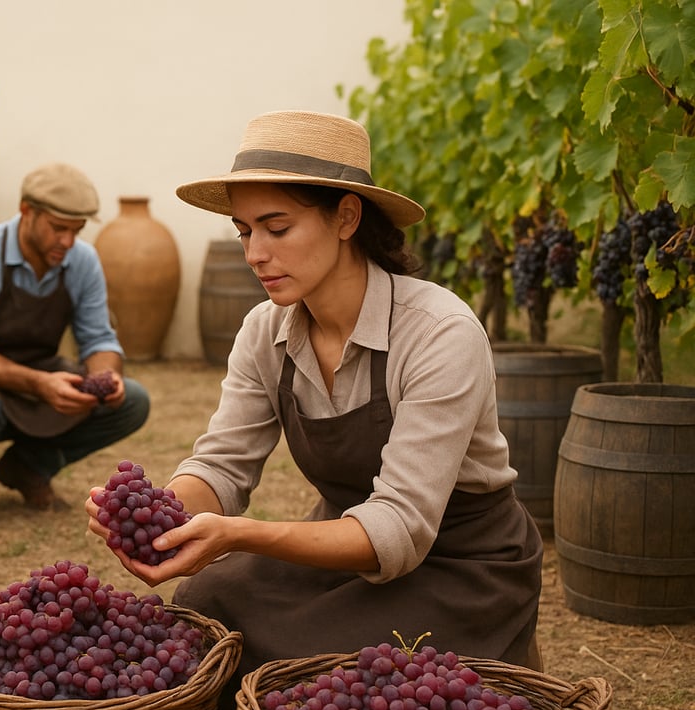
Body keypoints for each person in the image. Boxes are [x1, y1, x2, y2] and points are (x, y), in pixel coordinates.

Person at [85, 110, 543, 674]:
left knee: (325, 671)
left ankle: (502, 644)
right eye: (245, 232)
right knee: (205, 604)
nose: (254, 253)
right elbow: (222, 467)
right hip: (339, 543)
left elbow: (399, 528)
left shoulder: (438, 333)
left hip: (462, 562)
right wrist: (158, 517)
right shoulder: (264, 331)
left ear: (346, 217)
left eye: (277, 229)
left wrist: (239, 536)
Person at [0, 162, 150, 529]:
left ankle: (28, 467)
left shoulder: (82, 261)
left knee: (133, 400)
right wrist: (40, 385)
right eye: (58, 228)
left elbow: (98, 338)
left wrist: (106, 376)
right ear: (26, 212)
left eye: (75, 231)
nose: (67, 242)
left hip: (42, 370)